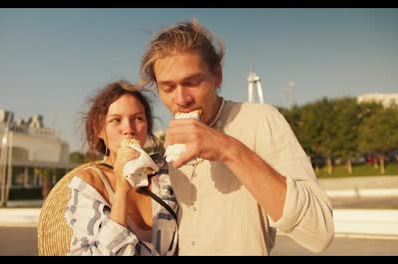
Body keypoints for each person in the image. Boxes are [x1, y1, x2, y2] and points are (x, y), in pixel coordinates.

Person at [139, 19, 334, 255]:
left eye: (192, 82)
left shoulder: (261, 120)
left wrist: (228, 149)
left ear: (217, 76)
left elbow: (319, 233)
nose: (181, 99)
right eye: (168, 87)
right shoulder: (169, 147)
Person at [64, 80, 178, 256]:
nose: (129, 129)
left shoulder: (164, 173)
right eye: (116, 120)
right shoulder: (89, 183)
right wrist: (122, 190)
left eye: (138, 119)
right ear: (99, 130)